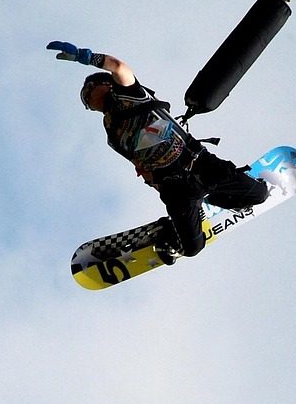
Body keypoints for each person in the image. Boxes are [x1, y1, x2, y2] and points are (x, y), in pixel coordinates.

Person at [51, 40, 268, 262]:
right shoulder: (112, 134)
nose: (88, 101)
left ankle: (217, 198)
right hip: (176, 187)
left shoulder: (128, 95)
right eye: (86, 102)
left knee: (260, 195)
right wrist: (157, 186)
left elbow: (119, 67)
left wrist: (86, 57)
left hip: (200, 164)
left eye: (88, 92)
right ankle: (169, 231)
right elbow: (140, 164)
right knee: (192, 248)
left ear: (105, 84)